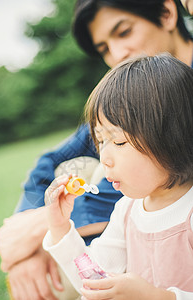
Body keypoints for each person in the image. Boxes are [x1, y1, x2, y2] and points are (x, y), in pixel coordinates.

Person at [0, 0, 193, 299]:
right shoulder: (128, 208)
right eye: (103, 48)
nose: (116, 55)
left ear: (168, 13)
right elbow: (94, 275)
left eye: (124, 32)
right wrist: (53, 227)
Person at [43, 53, 193, 300]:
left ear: (173, 135)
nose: (105, 157)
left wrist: (158, 297)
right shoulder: (126, 211)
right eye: (101, 141)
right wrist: (59, 228)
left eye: (119, 141)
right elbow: (95, 282)